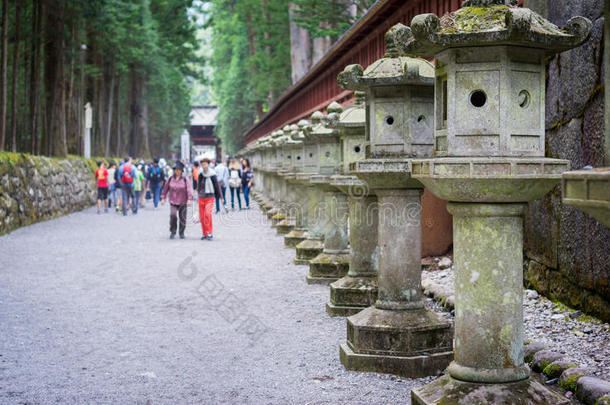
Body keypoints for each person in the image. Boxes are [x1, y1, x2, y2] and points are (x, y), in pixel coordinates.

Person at [161, 162, 193, 239]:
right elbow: (165, 189)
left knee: (182, 218)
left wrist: (189, 199)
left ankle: (181, 232)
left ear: (182, 171)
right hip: (173, 201)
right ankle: (173, 231)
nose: (177, 171)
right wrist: (163, 198)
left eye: (179, 170)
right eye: (176, 170)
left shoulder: (185, 179)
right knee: (173, 215)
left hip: (183, 201)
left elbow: (189, 189)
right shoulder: (170, 179)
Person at [197, 158, 223, 240]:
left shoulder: (212, 174)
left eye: (205, 164)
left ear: (208, 164)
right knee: (202, 217)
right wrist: (198, 193)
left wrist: (221, 197)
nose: (204, 165)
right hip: (201, 197)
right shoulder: (200, 174)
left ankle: (209, 232)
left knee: (207, 214)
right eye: (202, 164)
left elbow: (217, 186)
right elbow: (198, 185)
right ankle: (204, 233)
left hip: (209, 197)